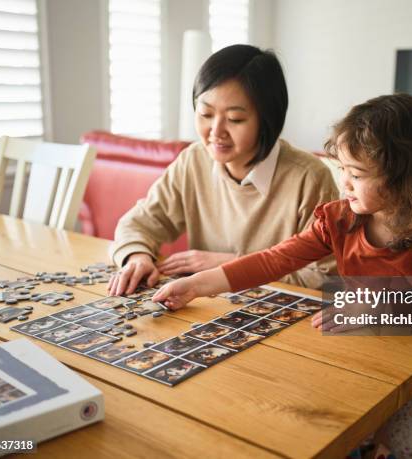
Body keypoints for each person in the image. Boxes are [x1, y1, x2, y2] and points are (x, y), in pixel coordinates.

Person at [152, 93, 412, 458]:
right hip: (364, 340)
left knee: (410, 444)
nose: (345, 184)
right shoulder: (339, 217)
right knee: (329, 424)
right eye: (342, 171)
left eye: (357, 174)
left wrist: (375, 308)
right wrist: (197, 284)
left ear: (404, 175)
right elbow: (274, 260)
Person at [108, 44, 338, 296]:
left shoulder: (309, 177)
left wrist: (229, 267)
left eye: (235, 119)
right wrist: (136, 256)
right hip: (202, 311)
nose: (215, 131)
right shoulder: (194, 160)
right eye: (205, 113)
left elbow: (325, 278)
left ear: (267, 119)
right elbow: (139, 223)